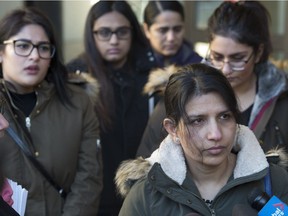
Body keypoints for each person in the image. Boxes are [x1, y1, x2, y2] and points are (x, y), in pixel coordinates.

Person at [115, 63, 288, 215]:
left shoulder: (273, 180)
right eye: (198, 121)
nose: (215, 134)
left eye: (224, 117)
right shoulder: (146, 195)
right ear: (173, 129)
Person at [137, 0, 288, 158]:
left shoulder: (282, 100)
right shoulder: (178, 94)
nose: (225, 69)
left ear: (258, 53)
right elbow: (144, 167)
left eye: (238, 58)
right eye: (217, 57)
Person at [0, 7, 103, 215]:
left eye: (44, 48)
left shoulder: (77, 102)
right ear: (1, 52)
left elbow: (89, 179)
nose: (35, 56)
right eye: (22, 46)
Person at [66, 1, 157, 215]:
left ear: (133, 32)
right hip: (94, 196)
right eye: (104, 33)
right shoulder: (75, 78)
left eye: (122, 32)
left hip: (143, 194)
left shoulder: (152, 77)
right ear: (92, 34)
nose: (114, 40)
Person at [143, 0, 202, 68]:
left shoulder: (198, 66)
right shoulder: (132, 64)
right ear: (147, 30)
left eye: (177, 29)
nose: (171, 38)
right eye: (162, 30)